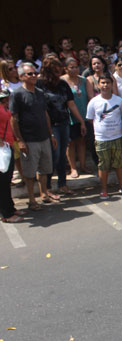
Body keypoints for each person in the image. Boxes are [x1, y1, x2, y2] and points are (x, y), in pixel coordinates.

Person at [9, 63, 57, 210]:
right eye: (30, 74)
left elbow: (45, 114)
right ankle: (31, 199)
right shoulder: (17, 94)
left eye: (35, 73)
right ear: (22, 76)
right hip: (29, 140)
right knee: (29, 172)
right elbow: (14, 119)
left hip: (44, 137)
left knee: (44, 169)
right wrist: (20, 140)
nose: (34, 76)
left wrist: (51, 134)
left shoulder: (40, 92)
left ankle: (44, 194)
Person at [37, 57, 87, 196]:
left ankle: (62, 184)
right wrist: (49, 129)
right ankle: (46, 188)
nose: (58, 71)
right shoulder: (40, 84)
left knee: (61, 156)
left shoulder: (63, 84)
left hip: (64, 123)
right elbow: (42, 108)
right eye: (55, 69)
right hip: (50, 125)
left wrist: (81, 121)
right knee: (53, 156)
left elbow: (71, 104)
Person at [86, 74, 122, 199]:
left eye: (108, 83)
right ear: (98, 85)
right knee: (103, 165)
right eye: (102, 83)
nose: (105, 85)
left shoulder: (119, 101)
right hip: (102, 139)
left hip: (117, 137)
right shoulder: (93, 102)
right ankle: (104, 190)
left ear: (112, 85)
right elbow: (91, 119)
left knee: (119, 164)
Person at [61, 58, 91, 178]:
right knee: (71, 143)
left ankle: (83, 165)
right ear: (66, 68)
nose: (74, 69)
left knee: (82, 141)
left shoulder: (84, 80)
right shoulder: (62, 81)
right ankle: (73, 168)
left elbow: (89, 97)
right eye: (71, 67)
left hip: (83, 114)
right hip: (69, 116)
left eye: (76, 66)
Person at [0, 89, 25, 222]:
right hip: (2, 148)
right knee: (3, 182)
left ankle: (10, 208)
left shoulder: (4, 107)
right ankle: (7, 214)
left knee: (6, 181)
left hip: (8, 146)